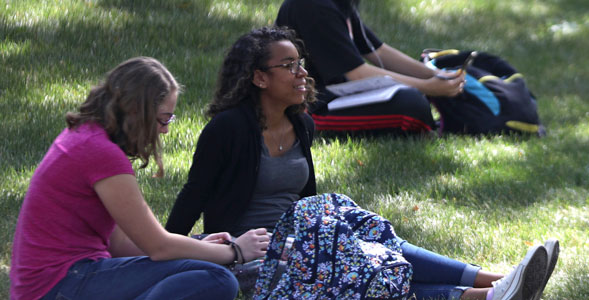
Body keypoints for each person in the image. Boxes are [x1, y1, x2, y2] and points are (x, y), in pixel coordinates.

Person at [164, 27, 558, 300]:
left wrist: (326, 230)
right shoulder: (227, 129)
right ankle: (492, 293)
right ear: (259, 78)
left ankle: (499, 282)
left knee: (372, 241)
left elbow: (306, 200)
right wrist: (165, 253)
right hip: (256, 254)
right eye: (288, 66)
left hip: (305, 237)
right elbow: (192, 196)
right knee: (363, 269)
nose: (302, 73)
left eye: (300, 63)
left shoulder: (299, 121)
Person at [9, 57, 270, 300]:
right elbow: (158, 246)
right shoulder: (100, 153)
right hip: (58, 284)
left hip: (59, 280)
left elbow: (121, 243)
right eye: (164, 118)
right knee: (218, 278)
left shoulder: (85, 136)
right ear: (139, 112)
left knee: (202, 270)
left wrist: (196, 246)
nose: (165, 130)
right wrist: (235, 252)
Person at [274, 0, 465, 135]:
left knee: (412, 96)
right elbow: (357, 73)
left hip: (338, 93)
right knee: (412, 104)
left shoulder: (339, 5)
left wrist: (437, 75)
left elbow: (378, 51)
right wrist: (429, 87)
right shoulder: (314, 6)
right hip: (310, 106)